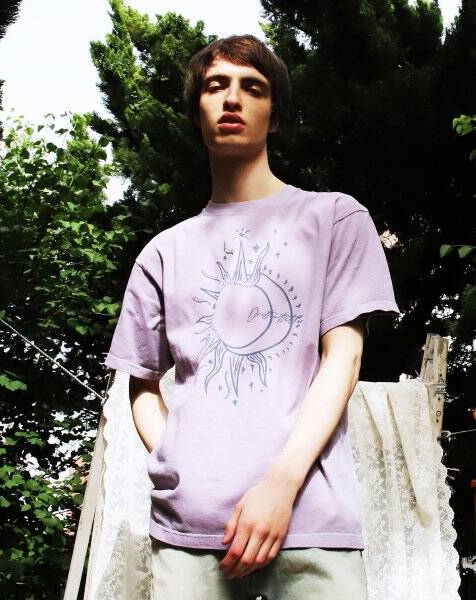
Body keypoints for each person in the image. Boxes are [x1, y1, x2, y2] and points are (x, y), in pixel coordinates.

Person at [104, 33, 400, 600]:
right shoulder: (162, 253)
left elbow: (345, 357)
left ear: (275, 116)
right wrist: (177, 462)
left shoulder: (334, 218)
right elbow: (140, 383)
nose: (233, 98)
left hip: (311, 518)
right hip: (189, 531)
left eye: (253, 88)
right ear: (197, 112)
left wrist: (279, 487)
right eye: (216, 86)